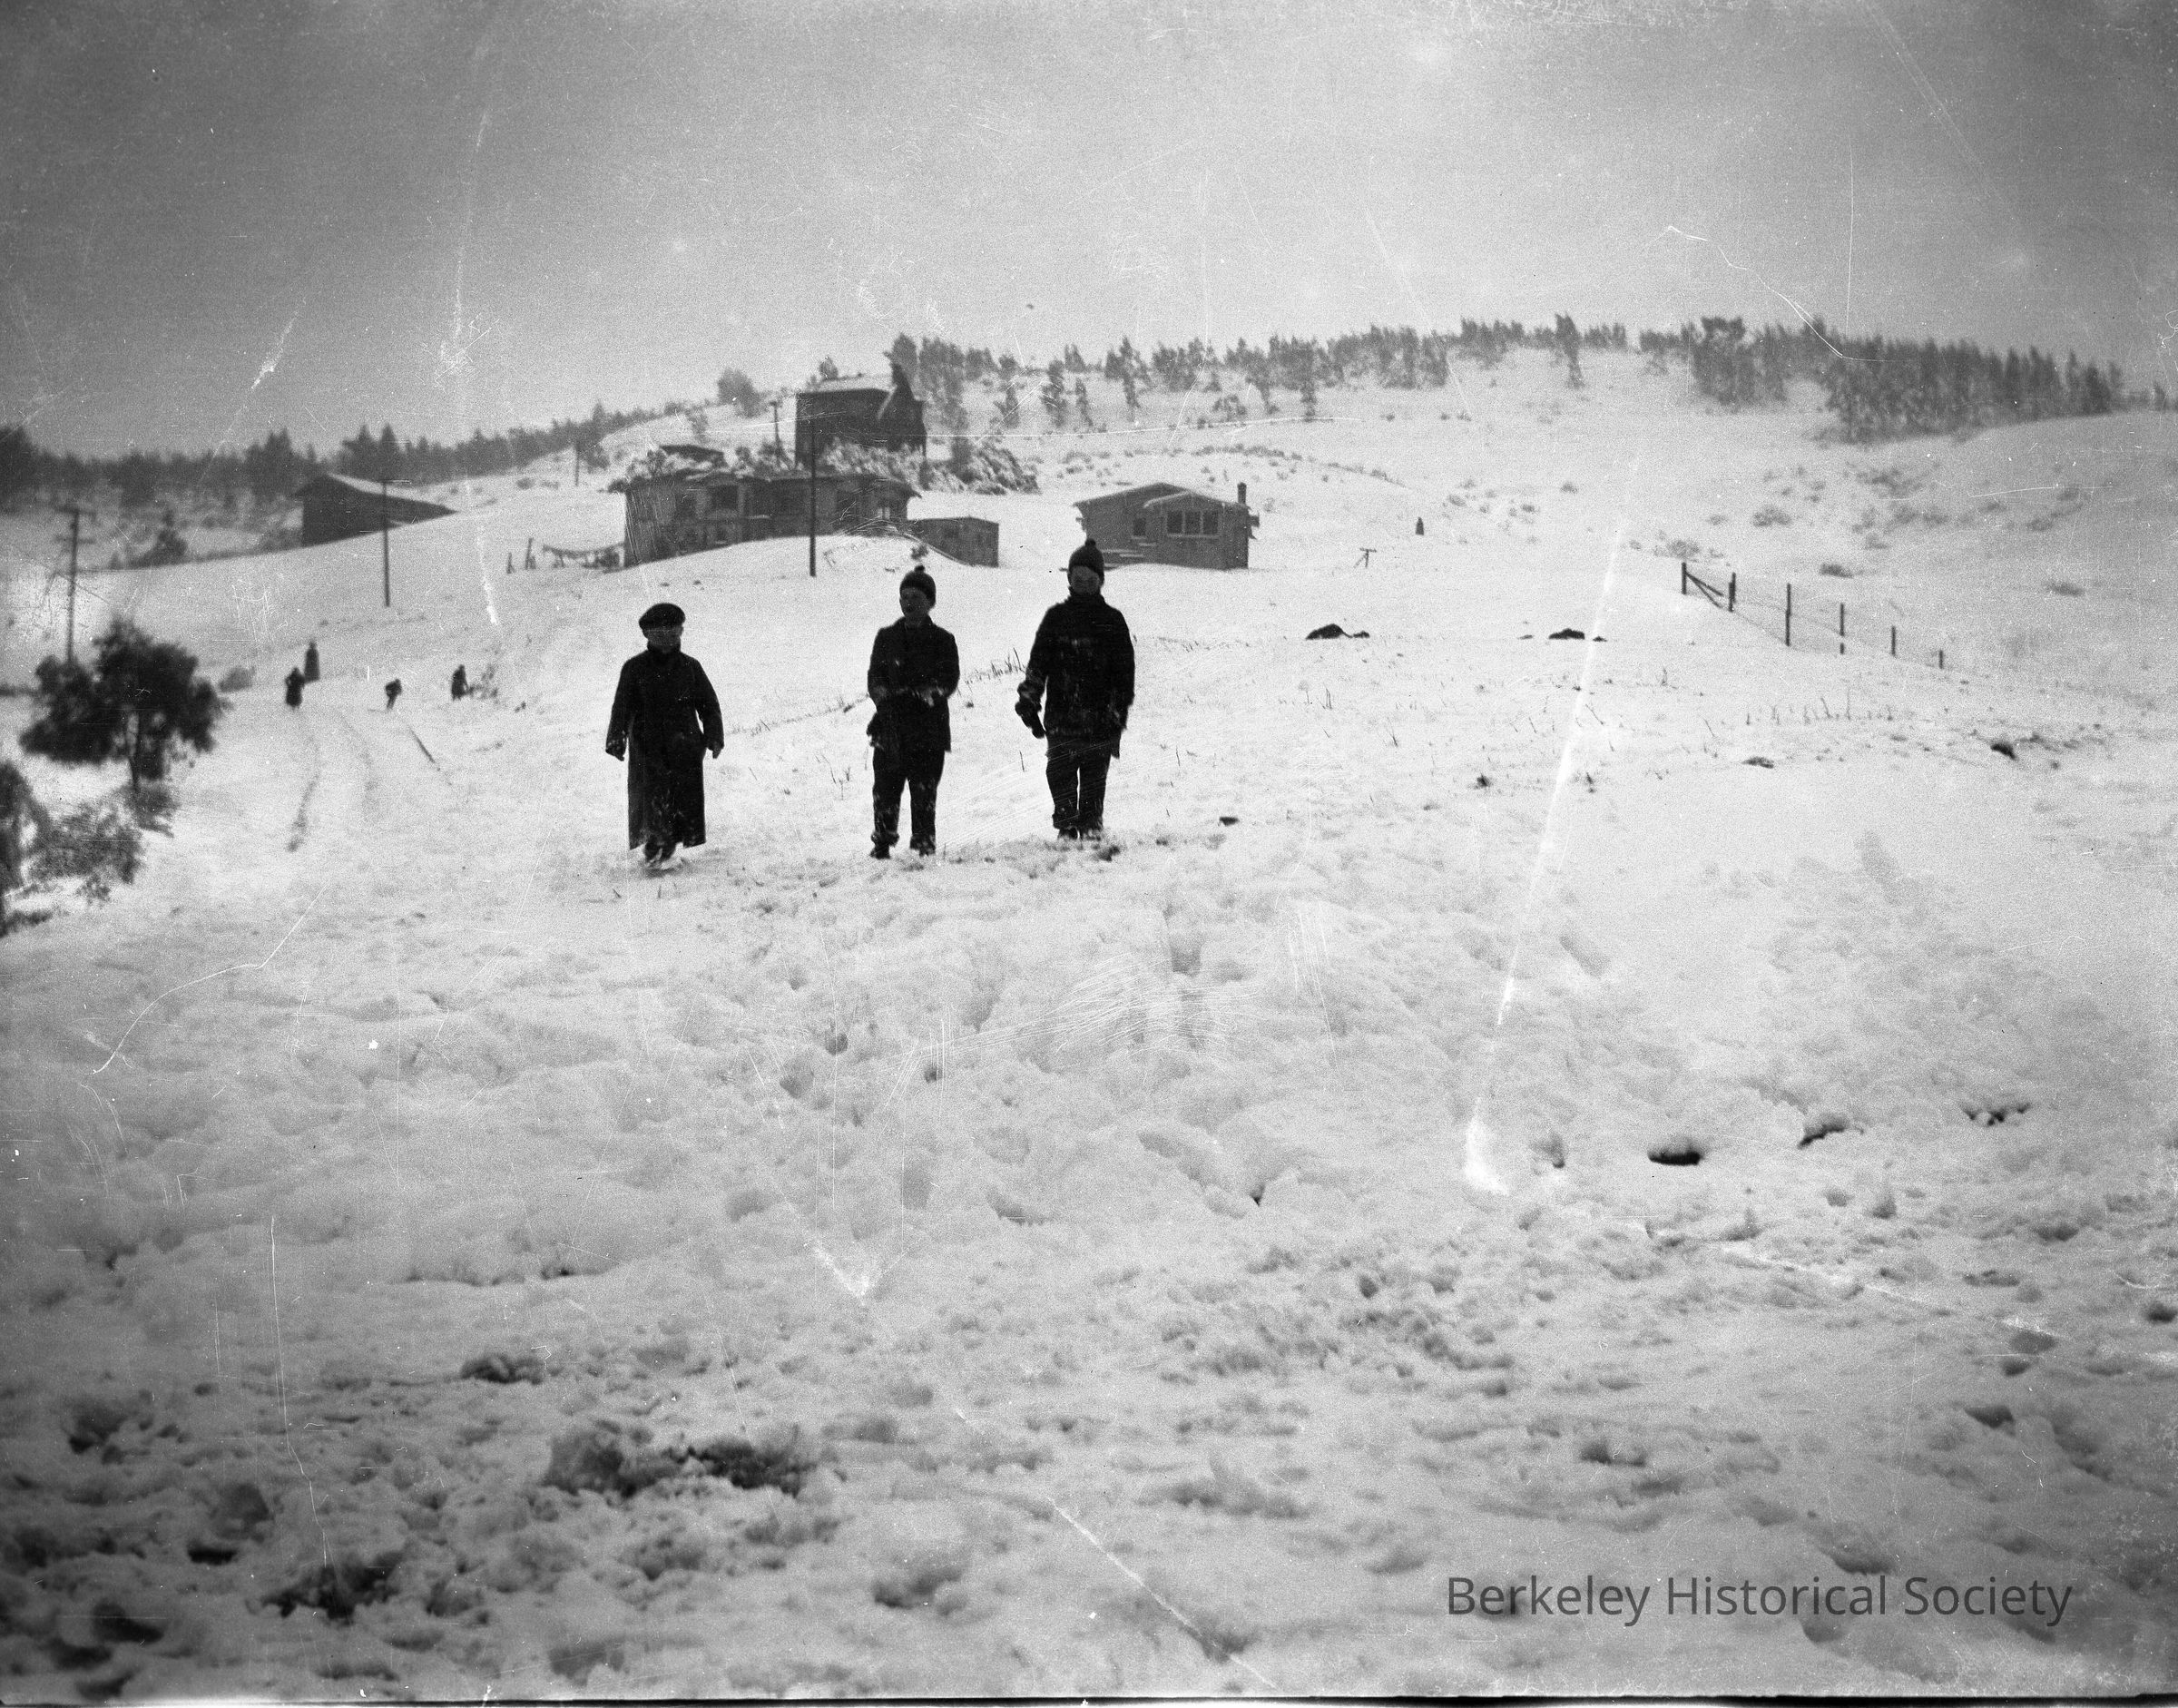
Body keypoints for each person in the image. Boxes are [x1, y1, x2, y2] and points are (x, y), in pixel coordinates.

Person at [1016, 538, 1133, 841]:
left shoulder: (1113, 621)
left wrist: (1118, 713)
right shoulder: (1056, 618)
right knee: (1060, 776)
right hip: (1061, 717)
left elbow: (1124, 676)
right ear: (1069, 579)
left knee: (1094, 779)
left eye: (1090, 580)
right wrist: (1029, 699)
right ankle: (1067, 829)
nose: (1083, 585)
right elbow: (1038, 664)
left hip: (1100, 720)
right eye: (1078, 579)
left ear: (1100, 582)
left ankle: (1092, 828)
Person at [605, 602, 723, 867]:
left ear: (681, 632)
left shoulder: (691, 667)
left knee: (682, 796)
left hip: (685, 743)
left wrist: (714, 736)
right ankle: (655, 840)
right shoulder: (634, 668)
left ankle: (669, 841)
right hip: (647, 745)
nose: (666, 638)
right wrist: (616, 738)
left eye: (672, 631)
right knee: (652, 795)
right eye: (659, 633)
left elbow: (708, 705)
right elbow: (622, 706)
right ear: (647, 635)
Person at [865, 568, 959, 859]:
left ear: (931, 602)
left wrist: (923, 695)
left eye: (916, 597)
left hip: (927, 729)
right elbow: (875, 676)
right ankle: (882, 843)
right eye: (904, 597)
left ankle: (924, 844)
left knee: (924, 791)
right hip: (891, 727)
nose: (909, 603)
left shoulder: (943, 640)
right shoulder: (886, 637)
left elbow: (948, 680)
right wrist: (883, 700)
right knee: (885, 790)